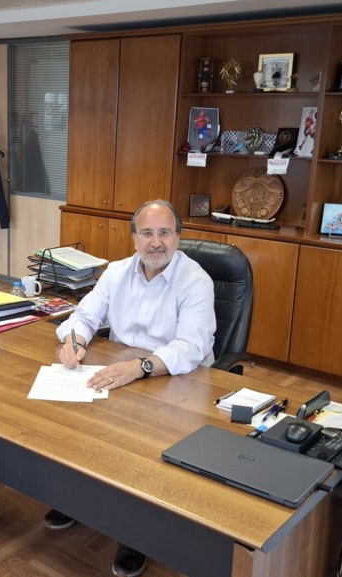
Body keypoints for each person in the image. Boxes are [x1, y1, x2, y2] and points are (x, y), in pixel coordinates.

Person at [46, 200, 217, 577]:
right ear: (134, 237)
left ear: (178, 237)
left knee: (143, 450)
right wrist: (74, 341)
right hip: (121, 374)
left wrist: (139, 367)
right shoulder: (117, 272)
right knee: (81, 430)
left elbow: (191, 347)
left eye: (164, 233)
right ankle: (77, 500)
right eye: (147, 233)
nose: (156, 242)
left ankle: (135, 535)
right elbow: (85, 315)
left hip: (176, 382)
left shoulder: (196, 281)